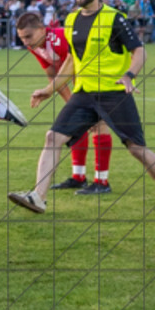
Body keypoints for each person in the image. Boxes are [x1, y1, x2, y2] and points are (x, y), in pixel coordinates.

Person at [10, 0, 155, 213]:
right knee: (52, 137)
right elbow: (71, 62)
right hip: (84, 93)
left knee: (136, 149)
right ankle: (38, 197)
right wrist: (49, 89)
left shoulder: (114, 18)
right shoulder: (72, 19)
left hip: (113, 93)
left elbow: (140, 51)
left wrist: (129, 75)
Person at [16, 11, 113, 195]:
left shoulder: (59, 39)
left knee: (99, 124)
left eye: (28, 36)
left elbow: (76, 65)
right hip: (79, 78)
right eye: (21, 38)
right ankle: (78, 177)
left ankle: (102, 181)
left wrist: (81, 104)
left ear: (42, 29)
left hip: (95, 74)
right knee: (76, 123)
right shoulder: (34, 46)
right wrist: (72, 103)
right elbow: (52, 73)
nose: (26, 42)